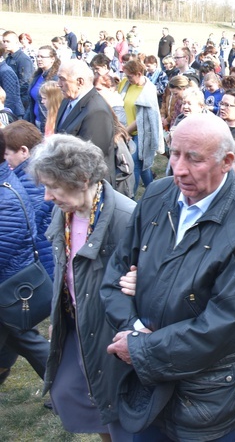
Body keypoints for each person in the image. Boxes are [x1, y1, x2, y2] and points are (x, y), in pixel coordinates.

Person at [101, 113, 235, 440]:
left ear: (227, 162)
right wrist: (137, 331)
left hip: (203, 399)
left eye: (194, 159)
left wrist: (142, 348)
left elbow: (222, 325)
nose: (178, 168)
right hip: (146, 384)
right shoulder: (156, 196)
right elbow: (114, 278)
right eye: (174, 153)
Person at [28, 135, 135, 441]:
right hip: (78, 326)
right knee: (83, 397)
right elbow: (65, 272)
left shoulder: (124, 218)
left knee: (118, 408)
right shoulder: (64, 211)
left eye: (53, 186)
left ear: (82, 179)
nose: (48, 196)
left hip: (111, 334)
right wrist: (60, 318)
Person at [0, 130, 49, 384]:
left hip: (8, 286)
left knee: (24, 337)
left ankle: (69, 385)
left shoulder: (6, 197)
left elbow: (3, 248)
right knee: (21, 337)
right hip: (8, 289)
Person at [56, 60, 116, 184]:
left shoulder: (97, 111)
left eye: (62, 79)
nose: (58, 84)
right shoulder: (67, 101)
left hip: (88, 186)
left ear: (80, 81)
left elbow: (92, 160)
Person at [117, 59, 161, 195]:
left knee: (134, 163)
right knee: (142, 166)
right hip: (124, 129)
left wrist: (125, 131)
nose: (127, 79)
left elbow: (142, 117)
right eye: (126, 76)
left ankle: (131, 195)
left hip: (139, 133)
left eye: (130, 76)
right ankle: (154, 191)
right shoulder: (125, 84)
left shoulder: (148, 90)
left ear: (139, 73)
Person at [27, 45, 60, 131]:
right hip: (35, 121)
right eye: (37, 56)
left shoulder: (56, 78)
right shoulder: (37, 76)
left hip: (47, 123)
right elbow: (32, 101)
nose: (39, 59)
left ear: (52, 59)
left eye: (42, 57)